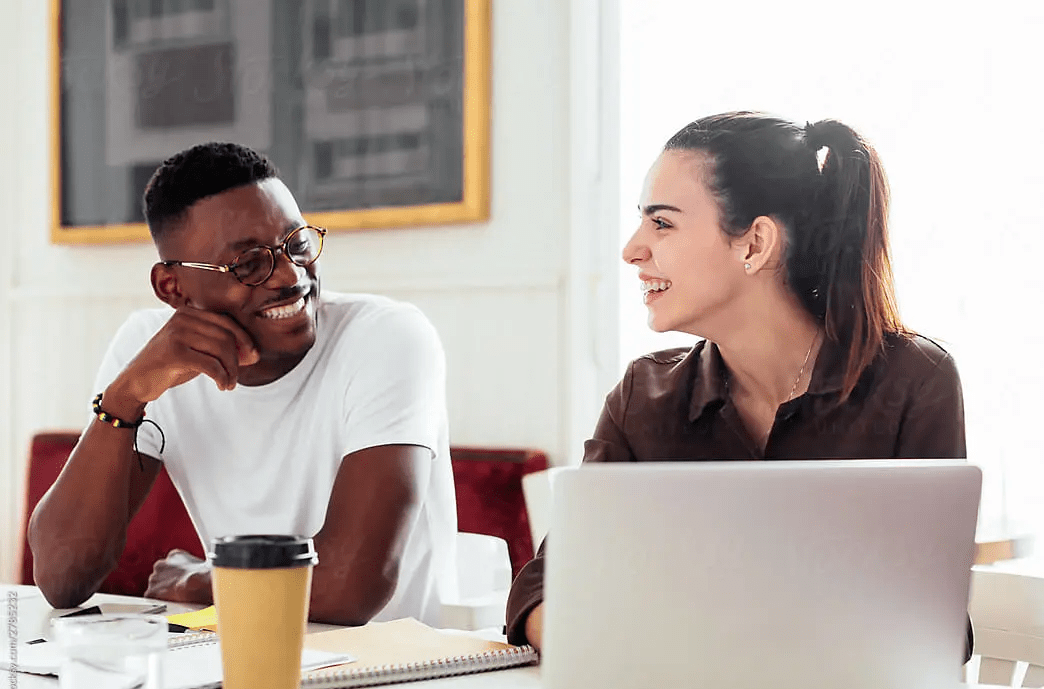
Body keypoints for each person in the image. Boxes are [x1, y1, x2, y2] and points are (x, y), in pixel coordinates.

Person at [507, 112, 970, 654]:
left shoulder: (914, 382)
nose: (632, 249)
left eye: (662, 223)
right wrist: (598, 648)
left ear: (754, 244)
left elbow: (936, 622)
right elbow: (546, 583)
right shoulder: (643, 398)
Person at [28, 142, 457, 626]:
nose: (291, 276)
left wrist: (204, 581)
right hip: (237, 658)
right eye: (250, 263)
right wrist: (125, 398)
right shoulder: (150, 356)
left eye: (296, 244)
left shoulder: (387, 337)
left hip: (396, 675)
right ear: (173, 288)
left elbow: (350, 586)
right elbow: (63, 577)